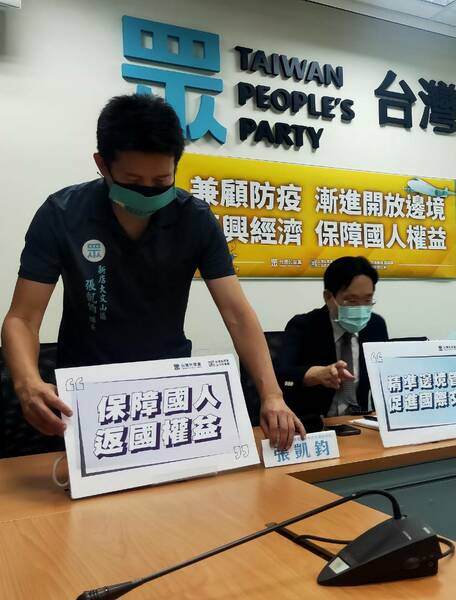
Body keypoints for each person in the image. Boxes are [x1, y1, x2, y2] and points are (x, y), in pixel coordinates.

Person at [1, 94, 303, 449]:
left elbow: (237, 314)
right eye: (132, 181)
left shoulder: (194, 219)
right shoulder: (62, 215)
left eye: (161, 182)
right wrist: (27, 383)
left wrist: (271, 394)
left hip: (168, 392)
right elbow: (22, 318)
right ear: (102, 164)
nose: (147, 193)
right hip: (86, 392)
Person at [276, 256, 389, 418]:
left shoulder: (375, 325)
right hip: (316, 423)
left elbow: (383, 378)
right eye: (351, 301)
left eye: (368, 300)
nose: (361, 308)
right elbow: (281, 374)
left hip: (359, 421)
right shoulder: (304, 325)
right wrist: (314, 375)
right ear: (328, 297)